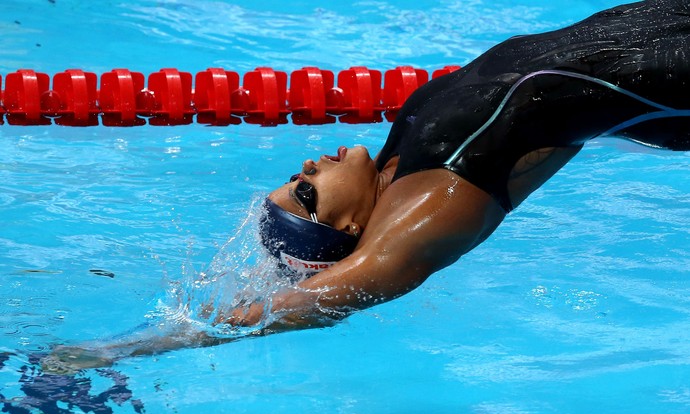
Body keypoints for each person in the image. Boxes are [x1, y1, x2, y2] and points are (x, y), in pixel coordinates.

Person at [42, 0, 690, 372]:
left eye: (293, 180)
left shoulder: (398, 162)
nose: (304, 169)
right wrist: (128, 347)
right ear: (349, 228)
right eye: (306, 193)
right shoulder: (433, 203)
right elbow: (338, 291)